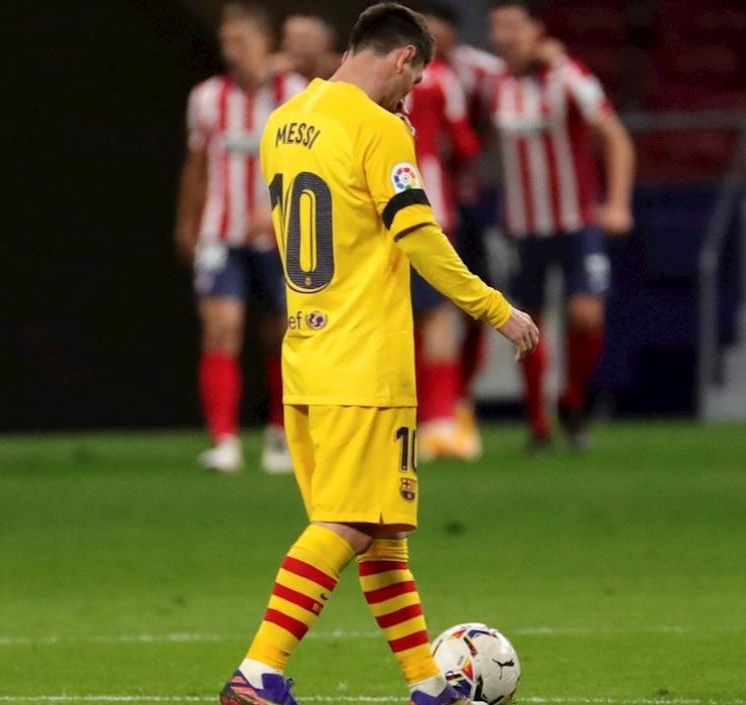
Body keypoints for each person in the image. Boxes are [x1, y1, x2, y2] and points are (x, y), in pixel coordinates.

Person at [220, 4, 538, 704]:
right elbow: (419, 236)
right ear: (401, 59)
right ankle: (259, 670)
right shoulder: (381, 130)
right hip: (366, 362)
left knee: (381, 533)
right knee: (346, 524)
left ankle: (427, 683)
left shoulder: (285, 119)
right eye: (415, 77)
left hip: (307, 357)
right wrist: (495, 307)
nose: (412, 93)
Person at [488, 0, 635, 451]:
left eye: (514, 26)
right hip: (524, 226)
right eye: (497, 28)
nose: (505, 37)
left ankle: (572, 400)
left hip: (577, 221)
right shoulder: (492, 84)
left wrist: (617, 203)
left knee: (585, 313)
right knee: (525, 322)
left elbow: (615, 137)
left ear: (536, 30)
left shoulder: (568, 74)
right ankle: (537, 423)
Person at [176, 2, 306, 474]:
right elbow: (197, 163)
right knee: (220, 327)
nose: (231, 51)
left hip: (282, 234)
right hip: (221, 231)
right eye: (226, 42)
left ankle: (280, 434)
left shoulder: (296, 94)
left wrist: (279, 215)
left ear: (265, 43)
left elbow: (316, 167)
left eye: (241, 42)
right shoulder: (208, 97)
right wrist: (186, 221)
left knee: (282, 334)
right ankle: (224, 440)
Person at [401, 26, 481, 460]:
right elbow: (466, 144)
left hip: (380, 211)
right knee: (436, 317)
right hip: (432, 207)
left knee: (396, 319)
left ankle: (403, 423)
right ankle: (441, 421)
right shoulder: (442, 77)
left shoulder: (361, 80)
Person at [279, 9, 340, 81]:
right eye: (290, 39)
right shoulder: (277, 77)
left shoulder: (342, 70)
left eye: (304, 39)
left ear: (325, 42)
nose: (298, 47)